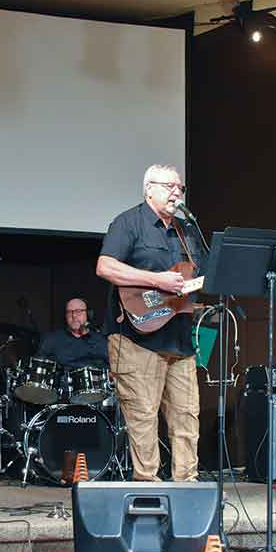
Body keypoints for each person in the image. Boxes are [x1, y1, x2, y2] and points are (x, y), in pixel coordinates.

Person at [96, 164, 205, 482]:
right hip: (136, 338)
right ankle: (148, 487)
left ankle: (188, 487)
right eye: (169, 186)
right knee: (143, 418)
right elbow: (105, 267)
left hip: (180, 339)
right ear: (149, 189)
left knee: (187, 417)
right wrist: (157, 280)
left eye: (179, 188)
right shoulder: (128, 222)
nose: (176, 193)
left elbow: (196, 274)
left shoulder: (187, 230)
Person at [36, 298, 109, 371]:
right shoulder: (52, 339)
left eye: (78, 311)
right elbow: (37, 366)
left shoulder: (101, 341)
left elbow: (112, 370)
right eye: (69, 312)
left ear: (88, 314)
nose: (74, 315)